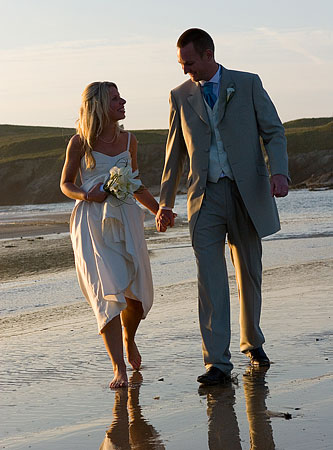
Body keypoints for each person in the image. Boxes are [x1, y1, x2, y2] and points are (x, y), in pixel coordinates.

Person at [156, 28, 289, 385]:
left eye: (190, 63)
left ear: (209, 53)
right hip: (204, 197)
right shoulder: (179, 96)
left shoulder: (247, 83)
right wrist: (165, 204)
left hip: (247, 193)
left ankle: (252, 342)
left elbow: (274, 131)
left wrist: (280, 173)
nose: (187, 71)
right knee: (210, 280)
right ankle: (216, 362)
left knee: (249, 273)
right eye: (182, 65)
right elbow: (174, 154)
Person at [60, 81, 166, 388]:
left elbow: (135, 182)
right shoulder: (80, 142)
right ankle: (118, 366)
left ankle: (128, 337)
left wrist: (158, 209)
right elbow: (66, 183)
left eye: (120, 97)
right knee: (105, 292)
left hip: (127, 219)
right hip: (92, 224)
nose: (123, 102)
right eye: (115, 99)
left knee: (134, 296)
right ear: (98, 106)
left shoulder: (129, 140)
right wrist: (85, 194)